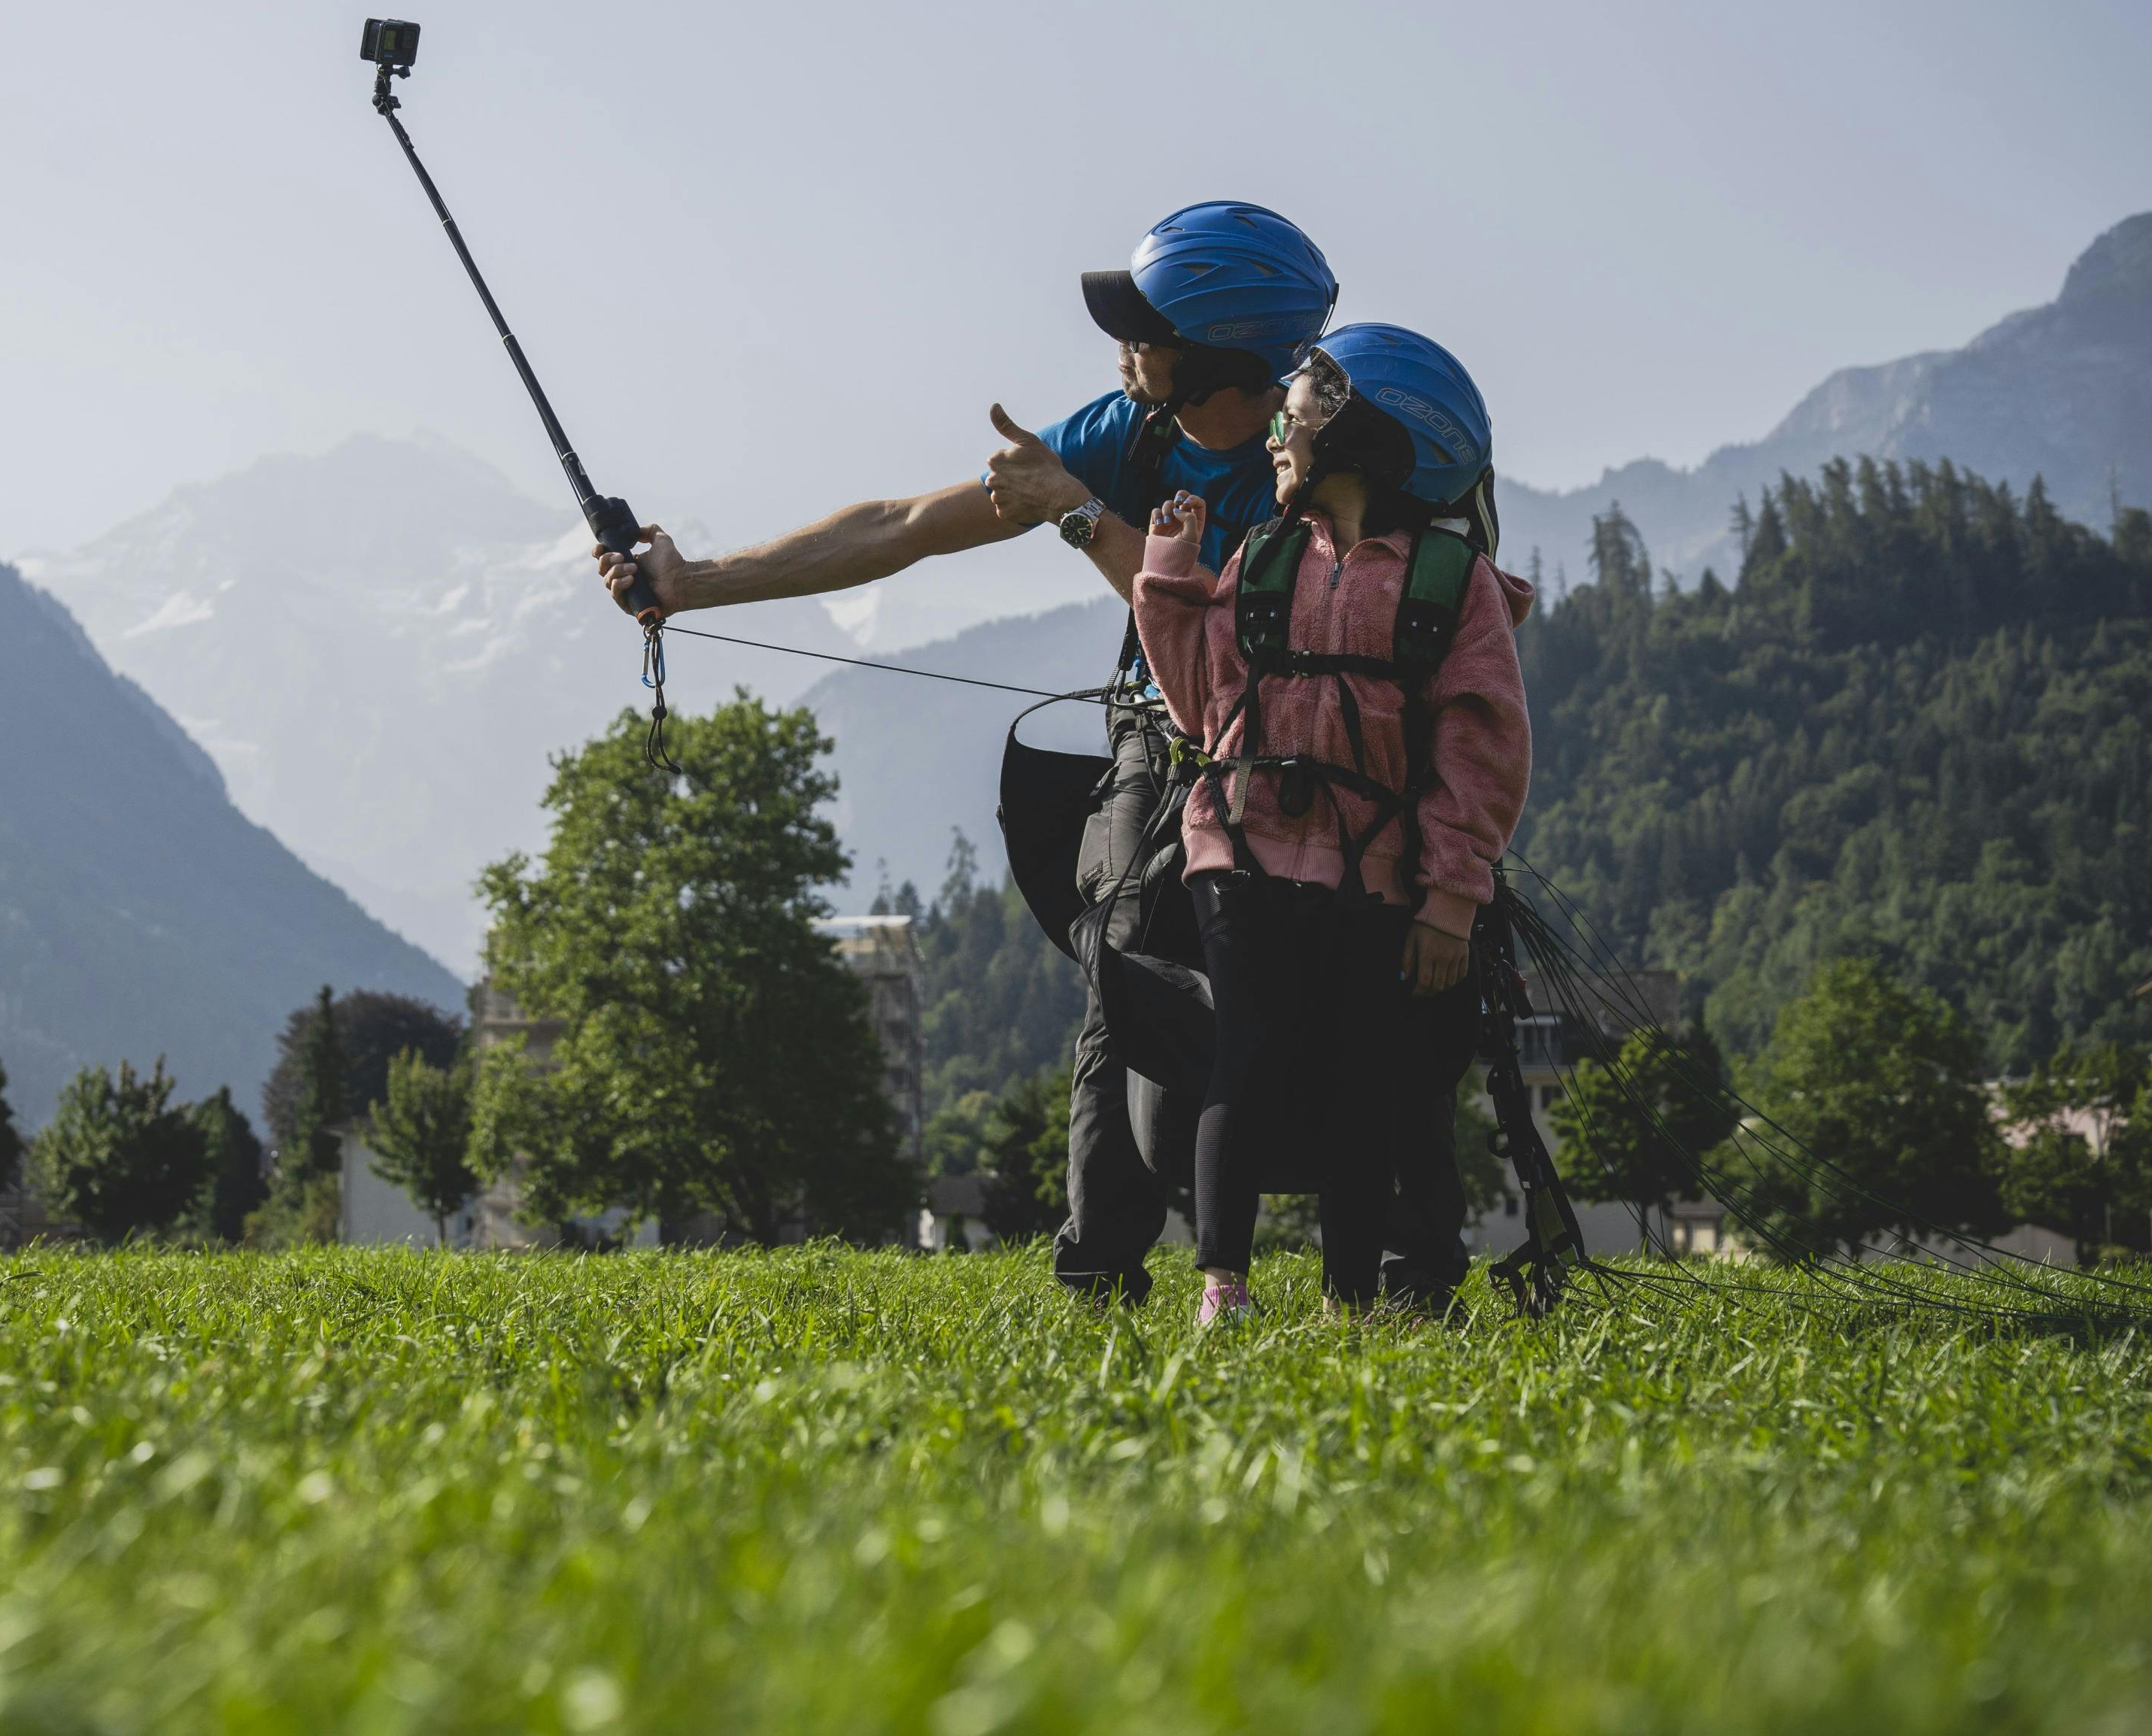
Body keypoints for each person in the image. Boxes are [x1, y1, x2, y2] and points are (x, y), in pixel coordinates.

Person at [595, 203, 1337, 1305]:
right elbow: (903, 524)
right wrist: (695, 582)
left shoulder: (1318, 466)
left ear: (1218, 356)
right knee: (1121, 949)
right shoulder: (1128, 431)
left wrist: (1080, 515)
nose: (1119, 344)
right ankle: (1102, 1276)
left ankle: (1382, 1258)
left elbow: (1236, 637)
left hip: (1302, 754)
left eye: (1143, 327)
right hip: (1159, 737)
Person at [1129, 326, 1531, 1323]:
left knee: (1368, 1076)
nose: (1273, 438)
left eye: (1293, 421)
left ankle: (1352, 1301)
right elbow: (1198, 709)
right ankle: (1224, 1285)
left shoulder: (1448, 584)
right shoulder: (1259, 559)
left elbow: (1481, 751)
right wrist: (1169, 574)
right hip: (1240, 853)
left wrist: (1450, 898)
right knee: (1247, 1049)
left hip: (1381, 878)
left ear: (1359, 436)